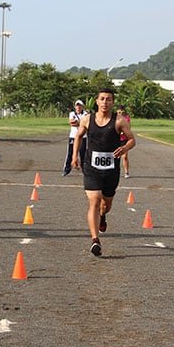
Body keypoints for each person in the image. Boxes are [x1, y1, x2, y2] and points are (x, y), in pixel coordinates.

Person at [71, 88, 135, 256]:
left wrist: (124, 148)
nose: (105, 102)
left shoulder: (119, 121)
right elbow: (78, 136)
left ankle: (103, 215)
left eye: (108, 99)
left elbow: (132, 140)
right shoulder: (87, 119)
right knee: (94, 200)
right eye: (102, 99)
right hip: (91, 167)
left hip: (111, 170)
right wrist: (74, 156)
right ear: (97, 101)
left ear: (112, 103)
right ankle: (95, 240)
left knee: (105, 205)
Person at [62, 100, 87, 176]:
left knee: (83, 154)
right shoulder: (72, 113)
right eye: (77, 106)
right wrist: (80, 122)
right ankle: (67, 170)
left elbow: (84, 124)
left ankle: (84, 170)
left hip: (83, 136)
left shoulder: (85, 114)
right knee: (70, 153)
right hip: (73, 136)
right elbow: (72, 123)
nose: (78, 107)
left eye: (79, 106)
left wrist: (79, 122)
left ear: (82, 106)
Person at [116, 105, 131, 178]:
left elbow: (128, 128)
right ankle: (114, 171)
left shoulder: (126, 118)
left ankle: (126, 172)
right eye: (119, 111)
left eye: (121, 111)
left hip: (124, 139)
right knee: (115, 156)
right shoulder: (115, 118)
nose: (120, 112)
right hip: (116, 139)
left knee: (124, 156)